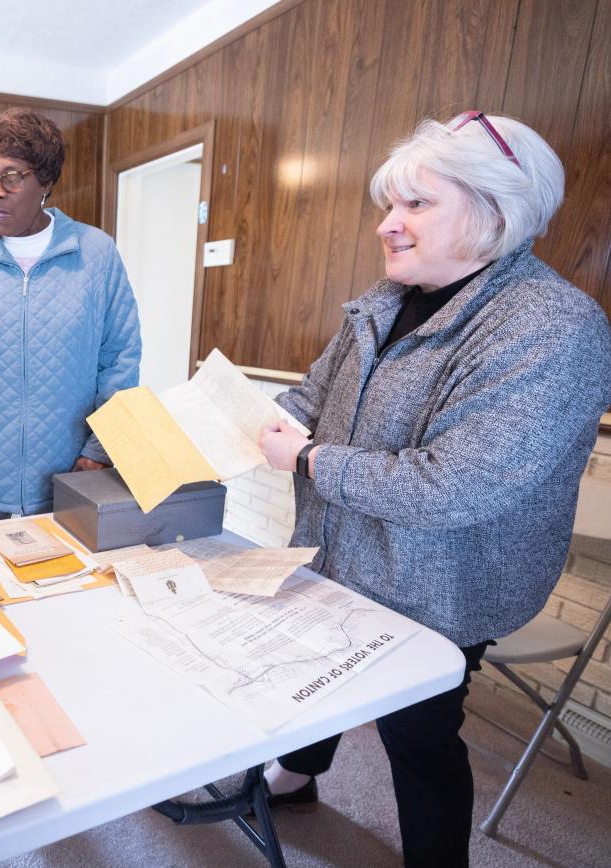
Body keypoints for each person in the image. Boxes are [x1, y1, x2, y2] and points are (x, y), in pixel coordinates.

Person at [257, 112, 611, 866]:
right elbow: (312, 398)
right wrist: (236, 418)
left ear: (494, 213)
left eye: (416, 205)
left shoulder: (552, 325)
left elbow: (455, 486)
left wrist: (312, 460)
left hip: (441, 583)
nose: (388, 226)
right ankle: (296, 776)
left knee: (415, 732)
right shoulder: (382, 302)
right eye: (389, 206)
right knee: (319, 665)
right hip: (342, 552)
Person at [0, 108, 141, 524]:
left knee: (69, 584)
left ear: (45, 182)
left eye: (12, 176)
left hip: (69, 475)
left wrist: (98, 451)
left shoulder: (96, 254)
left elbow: (120, 362)